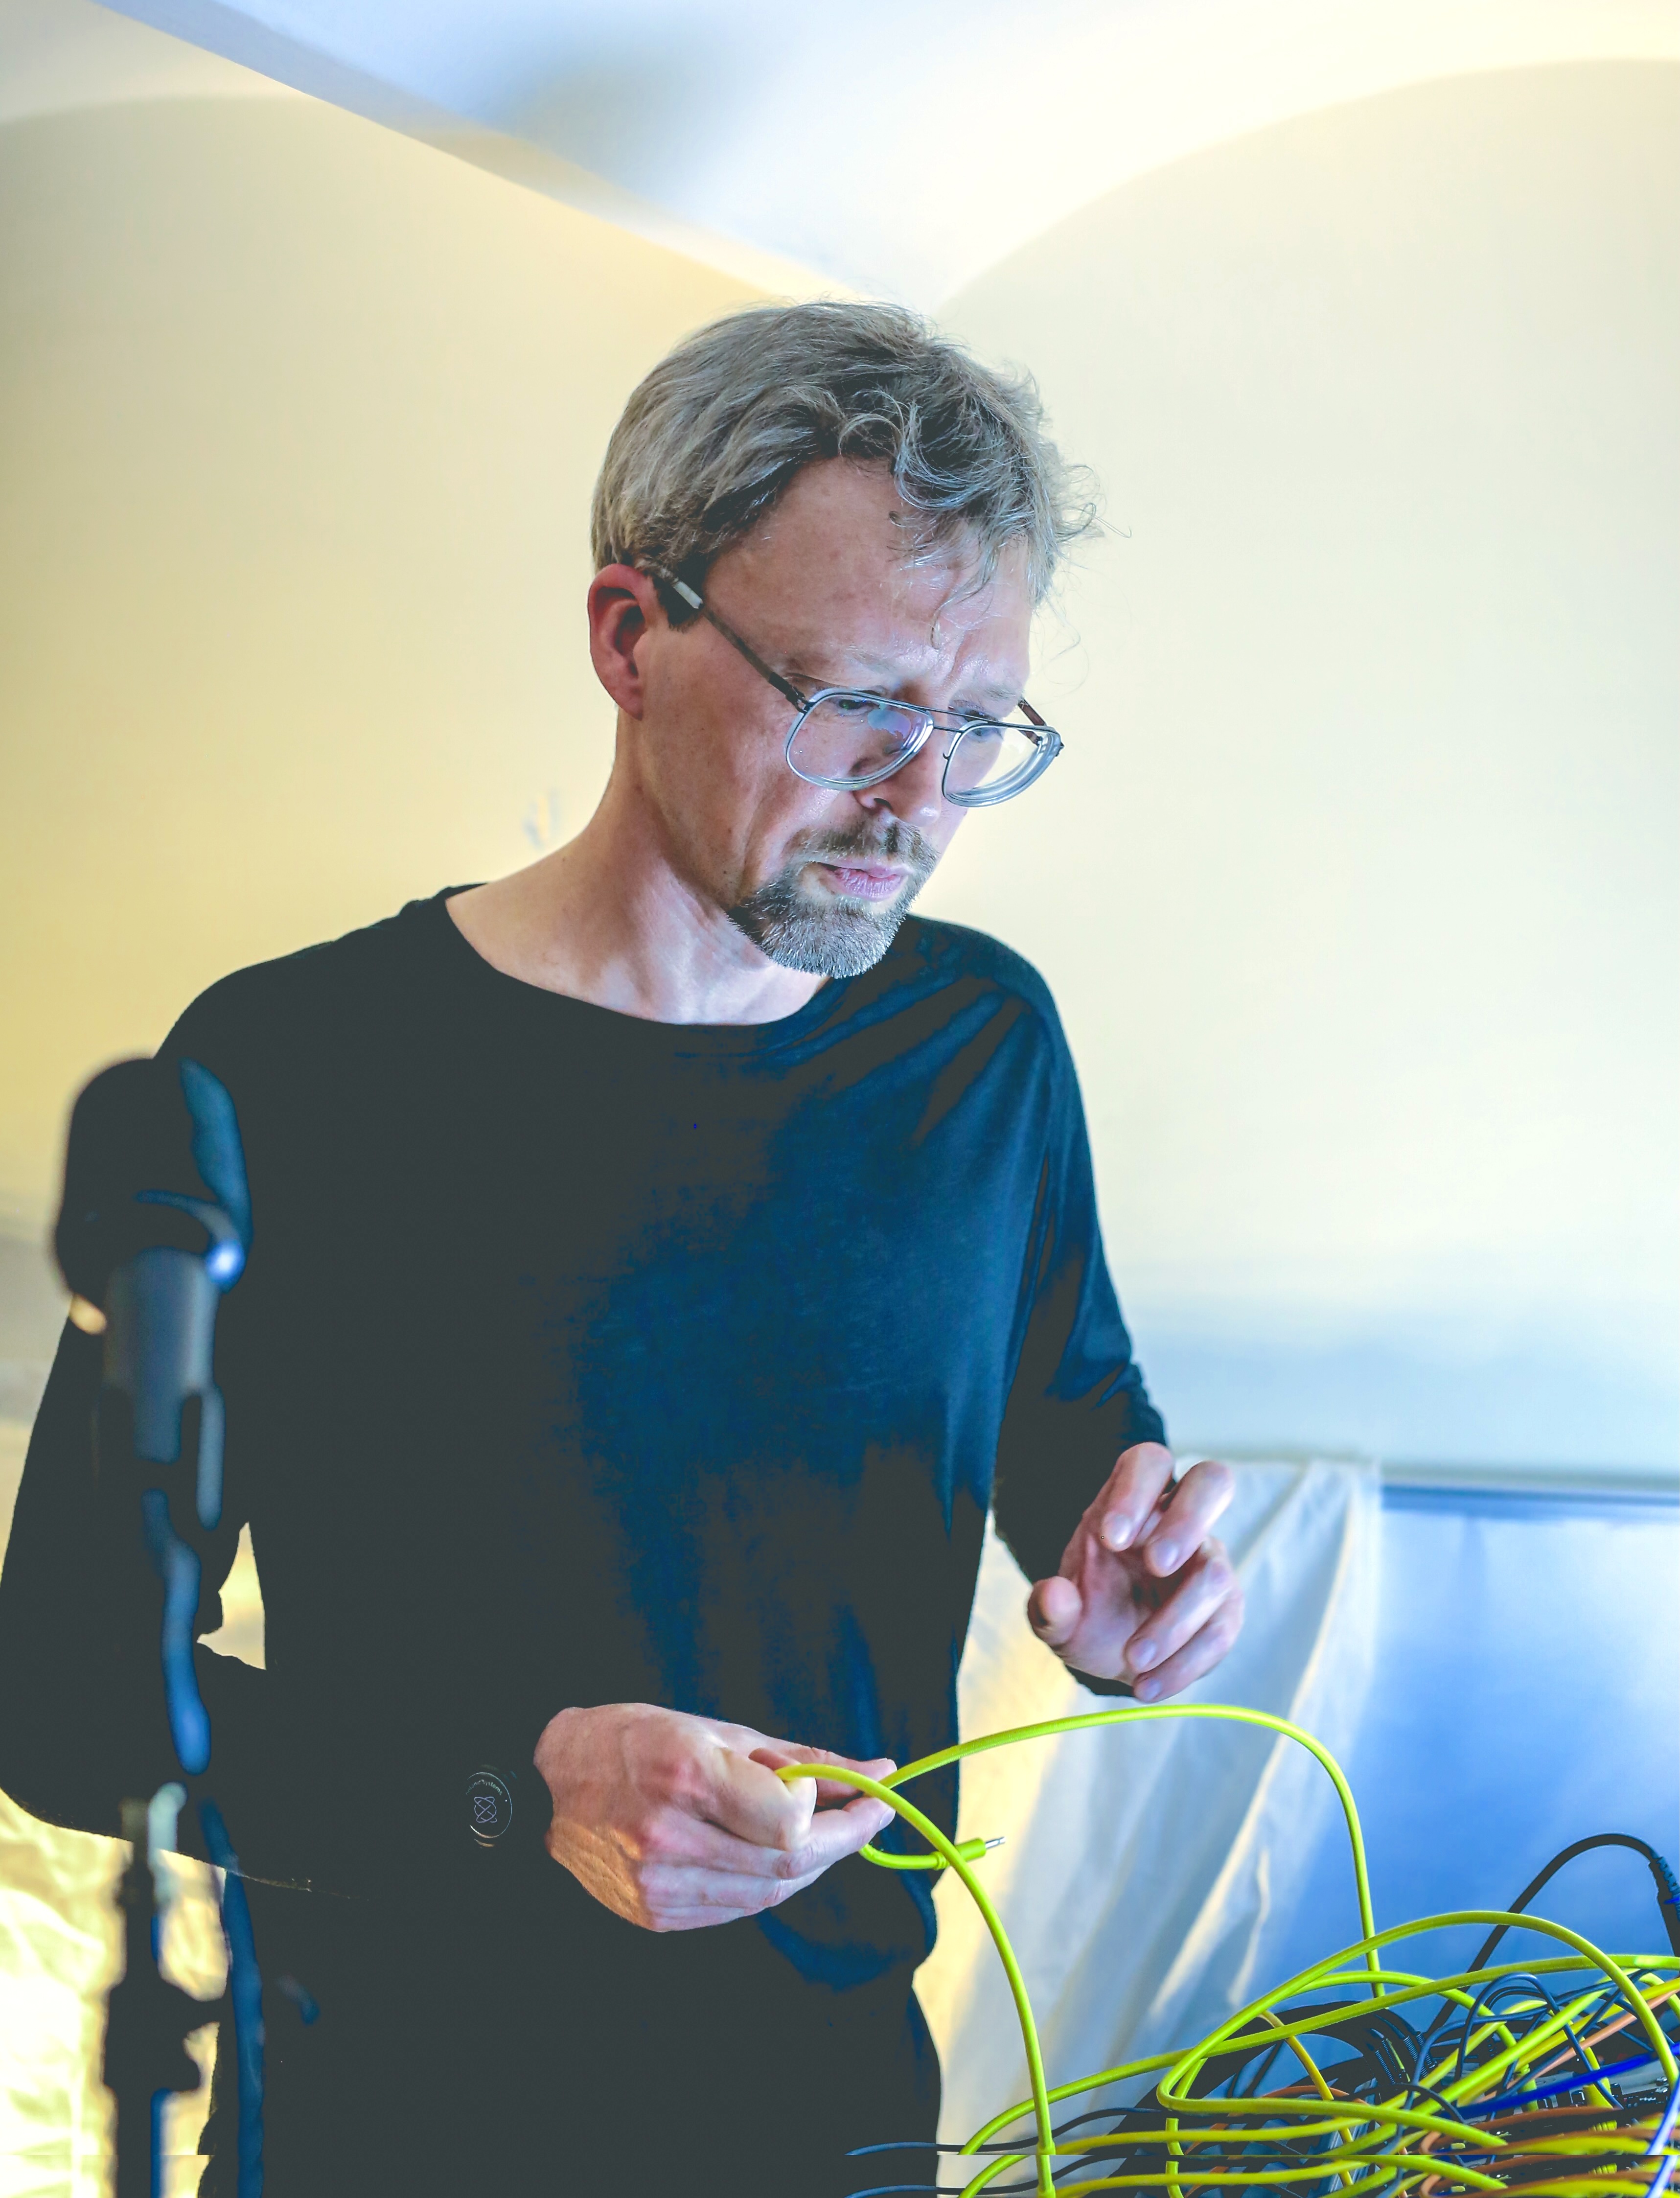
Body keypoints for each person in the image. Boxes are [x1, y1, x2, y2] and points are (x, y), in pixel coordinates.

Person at [0, 301, 1244, 2195]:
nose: (918, 805)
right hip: (383, 2131)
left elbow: (1068, 1437)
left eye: (978, 728)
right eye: (856, 707)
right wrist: (516, 1794)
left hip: (836, 2128)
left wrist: (1128, 1585)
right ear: (627, 636)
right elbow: (61, 1682)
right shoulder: (289, 1069)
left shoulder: (982, 1047)